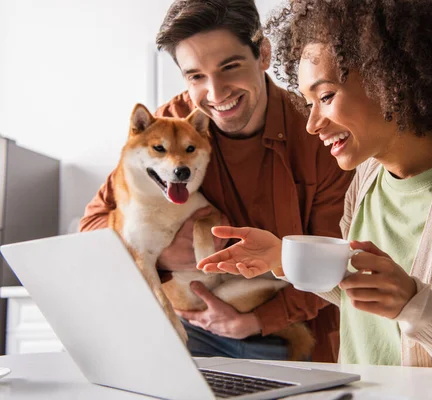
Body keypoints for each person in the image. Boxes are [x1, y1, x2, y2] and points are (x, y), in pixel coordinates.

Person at [198, 0, 432, 372]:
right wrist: (282, 259)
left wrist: (415, 305)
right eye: (307, 102)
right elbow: (365, 299)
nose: (312, 124)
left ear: (388, 76)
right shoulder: (367, 179)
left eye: (325, 97)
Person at [79, 0, 354, 363]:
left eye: (230, 67)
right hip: (188, 329)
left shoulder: (318, 135)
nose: (216, 92)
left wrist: (254, 320)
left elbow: (334, 268)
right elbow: (93, 227)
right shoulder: (171, 126)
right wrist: (161, 252)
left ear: (264, 54)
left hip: (288, 335)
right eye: (196, 76)